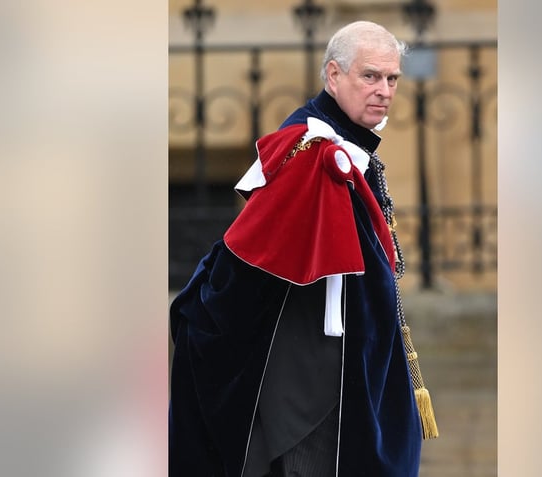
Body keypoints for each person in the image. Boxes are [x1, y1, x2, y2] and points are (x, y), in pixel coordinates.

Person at [169, 21, 436, 477]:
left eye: (392, 79)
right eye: (370, 76)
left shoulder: (349, 146)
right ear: (333, 76)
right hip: (312, 384)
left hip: (343, 368)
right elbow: (249, 260)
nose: (385, 91)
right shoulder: (314, 150)